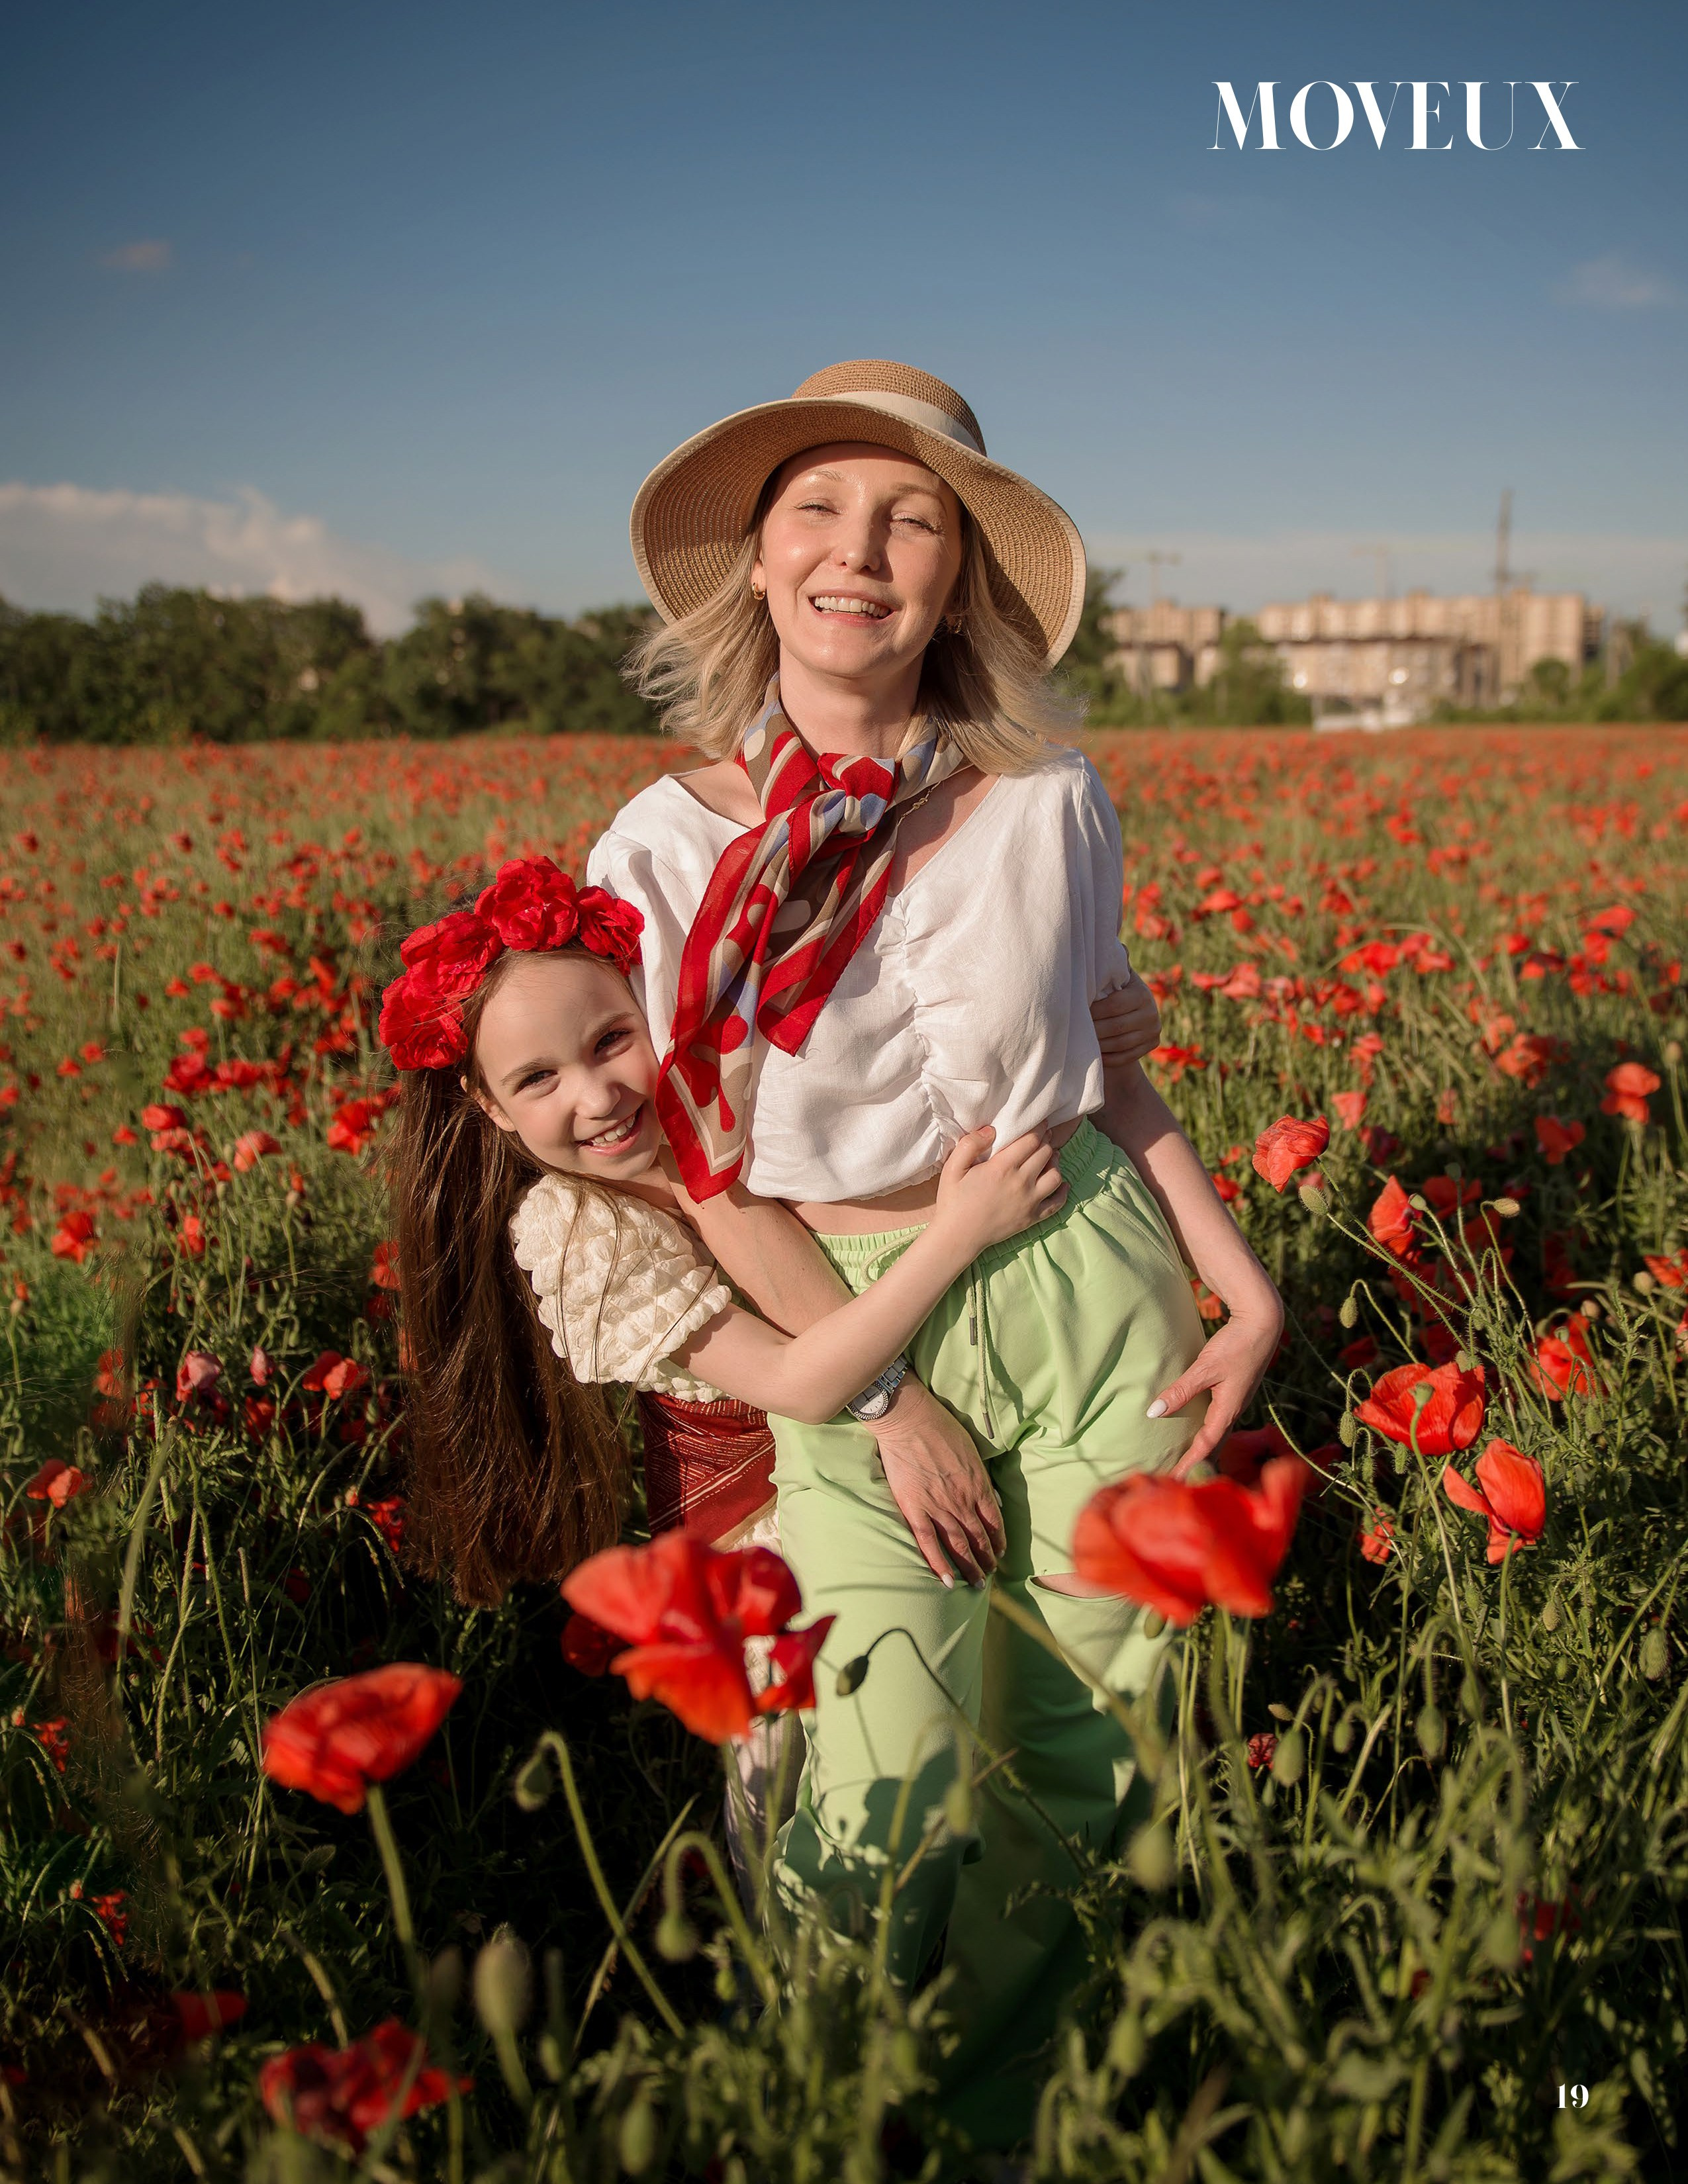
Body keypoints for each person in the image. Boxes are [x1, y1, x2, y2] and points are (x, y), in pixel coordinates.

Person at [586, 360, 1286, 2144]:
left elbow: (1108, 1052)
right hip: (844, 1311)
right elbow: (700, 1165)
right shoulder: (664, 848)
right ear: (753, 563)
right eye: (818, 508)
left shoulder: (1050, 792)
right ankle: (839, 2116)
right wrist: (884, 1388)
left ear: (959, 576)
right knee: (873, 1781)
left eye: (912, 518)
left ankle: (995, 2132)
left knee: (1086, 1760)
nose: (861, 549)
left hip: (1089, 1284)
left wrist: (1238, 1272)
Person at [380, 852, 1072, 1856]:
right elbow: (799, 1379)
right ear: (487, 1107)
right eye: (537, 1080)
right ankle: (777, 1983)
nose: (597, 1096)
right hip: (750, 1531)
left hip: (869, 1472)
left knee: (943, 1745)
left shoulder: (733, 1101)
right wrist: (958, 1234)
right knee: (793, 1780)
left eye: (611, 1040)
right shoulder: (574, 1230)